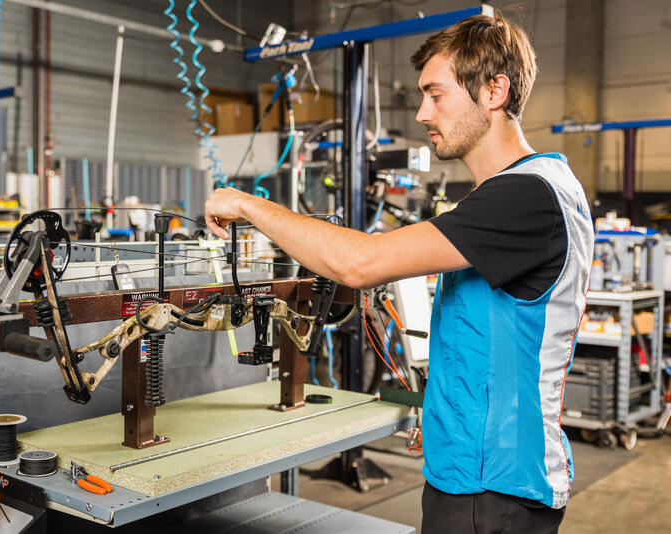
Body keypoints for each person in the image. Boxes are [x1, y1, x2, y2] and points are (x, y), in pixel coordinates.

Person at [205, 13, 593, 534]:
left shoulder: (527, 193)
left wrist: (249, 205)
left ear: (495, 90)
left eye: (436, 94)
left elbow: (360, 263)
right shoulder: (534, 187)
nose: (421, 113)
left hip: (491, 487)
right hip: (481, 471)